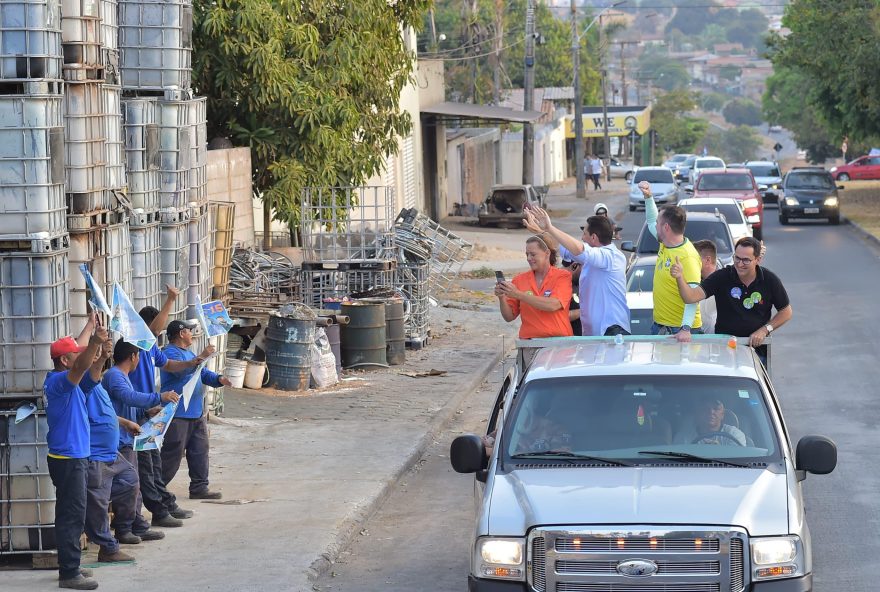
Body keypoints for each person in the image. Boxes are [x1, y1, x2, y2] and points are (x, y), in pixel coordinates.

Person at [132, 287, 204, 527]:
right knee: (148, 464)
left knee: (153, 462)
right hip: (138, 411)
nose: (159, 331)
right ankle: (156, 511)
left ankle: (164, 504)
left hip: (148, 409)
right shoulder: (138, 343)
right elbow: (154, 329)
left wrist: (193, 362)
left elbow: (169, 365)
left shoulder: (152, 349)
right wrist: (171, 299)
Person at [44, 326, 108, 590]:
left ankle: (70, 566)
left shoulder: (71, 385)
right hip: (68, 458)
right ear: (64, 361)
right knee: (71, 515)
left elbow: (90, 374)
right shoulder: (59, 382)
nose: (82, 358)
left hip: (71, 457)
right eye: (75, 355)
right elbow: (82, 367)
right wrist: (94, 342)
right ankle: (68, 572)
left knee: (72, 513)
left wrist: (102, 356)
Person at [102, 340, 180, 544]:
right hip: (118, 440)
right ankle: (126, 527)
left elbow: (127, 405)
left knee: (133, 485)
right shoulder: (115, 376)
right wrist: (158, 397)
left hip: (127, 439)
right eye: (139, 356)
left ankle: (136, 524)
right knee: (129, 484)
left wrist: (146, 412)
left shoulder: (122, 376)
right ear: (133, 357)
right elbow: (128, 397)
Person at [670, 236, 792, 363]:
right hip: (724, 351)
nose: (739, 264)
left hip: (756, 352)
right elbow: (690, 297)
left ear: (758, 259)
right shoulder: (722, 276)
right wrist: (679, 277)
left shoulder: (769, 280)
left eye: (746, 260)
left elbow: (786, 312)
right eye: (737, 258)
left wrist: (765, 330)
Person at [82, 335, 143, 565]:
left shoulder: (98, 385)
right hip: (95, 455)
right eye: (92, 357)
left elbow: (107, 412)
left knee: (130, 482)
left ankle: (121, 528)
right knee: (97, 502)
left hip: (111, 453)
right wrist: (101, 353)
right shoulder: (84, 383)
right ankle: (107, 547)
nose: (97, 360)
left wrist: (125, 423)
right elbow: (92, 370)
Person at [525, 208, 630, 336]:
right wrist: (542, 231)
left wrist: (550, 227)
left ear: (593, 237)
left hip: (612, 332)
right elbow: (563, 247)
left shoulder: (612, 257)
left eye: (584, 234)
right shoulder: (591, 257)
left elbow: (579, 249)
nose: (581, 238)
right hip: (594, 335)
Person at [160, 320, 232, 500]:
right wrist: (201, 355)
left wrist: (219, 378)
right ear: (181, 333)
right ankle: (155, 487)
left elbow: (201, 373)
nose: (192, 334)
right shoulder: (170, 353)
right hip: (178, 414)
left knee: (200, 450)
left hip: (195, 412)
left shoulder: (188, 353)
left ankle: (199, 486)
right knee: (172, 455)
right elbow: (180, 372)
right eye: (190, 331)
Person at [638, 181, 702, 341]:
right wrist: (648, 197)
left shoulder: (687, 256)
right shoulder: (665, 244)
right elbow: (652, 220)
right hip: (661, 326)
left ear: (666, 228)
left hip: (681, 331)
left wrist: (685, 328)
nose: (654, 226)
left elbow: (694, 296)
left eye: (659, 223)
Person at [495, 235, 573, 339]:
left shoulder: (562, 276)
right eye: (527, 254)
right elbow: (509, 317)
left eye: (533, 254)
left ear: (547, 253)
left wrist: (519, 294)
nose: (528, 258)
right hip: (529, 342)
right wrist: (501, 298)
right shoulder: (519, 280)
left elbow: (553, 305)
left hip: (558, 342)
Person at [674, 398, 747, 446]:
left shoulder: (734, 435)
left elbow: (737, 465)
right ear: (698, 414)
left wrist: (719, 451)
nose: (711, 412)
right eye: (705, 409)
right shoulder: (684, 437)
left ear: (722, 414)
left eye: (716, 408)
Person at [692, 240, 720, 334]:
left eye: (694, 259)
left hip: (717, 344)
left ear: (708, 260)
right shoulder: (693, 280)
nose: (690, 262)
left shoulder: (724, 283)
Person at [561, 260, 582, 336]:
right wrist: (586, 311)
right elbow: (558, 317)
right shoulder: (560, 284)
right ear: (574, 266)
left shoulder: (577, 281)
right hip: (568, 341)